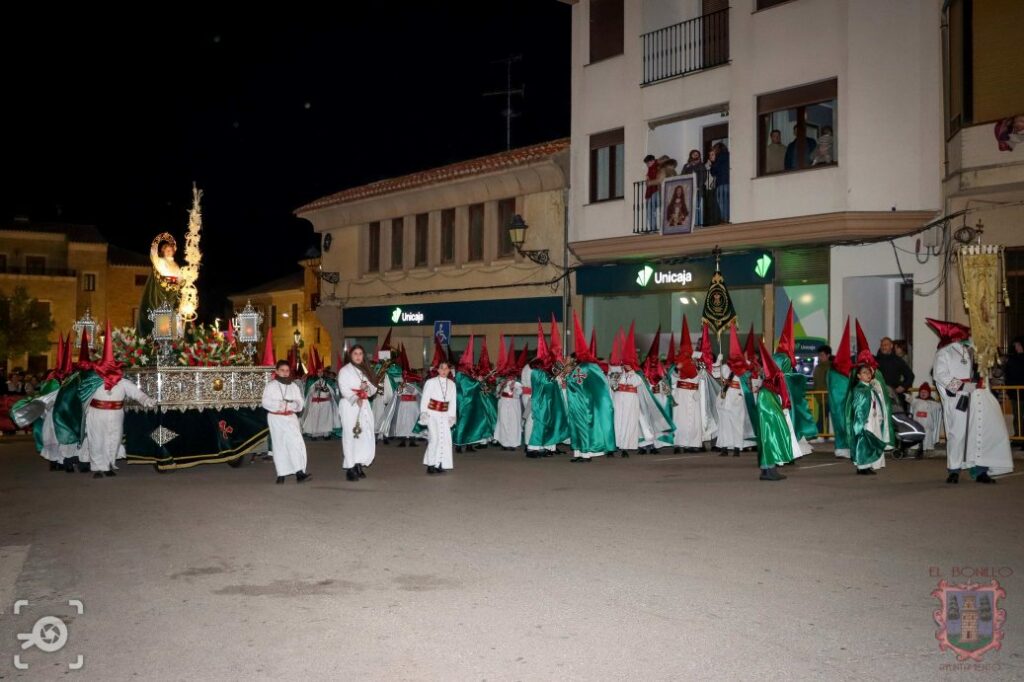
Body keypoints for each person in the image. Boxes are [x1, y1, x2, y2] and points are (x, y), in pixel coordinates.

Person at [928, 318, 1013, 484]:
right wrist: (961, 387)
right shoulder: (944, 353)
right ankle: (954, 470)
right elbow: (939, 375)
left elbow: (989, 369)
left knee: (979, 433)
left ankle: (981, 470)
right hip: (958, 399)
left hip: (978, 397)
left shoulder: (973, 350)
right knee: (957, 435)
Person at [81, 321, 157, 478]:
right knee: (97, 440)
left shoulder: (122, 381)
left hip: (116, 413)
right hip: (97, 413)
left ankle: (108, 465)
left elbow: (136, 393)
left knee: (114, 439)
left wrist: (147, 400)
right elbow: (83, 394)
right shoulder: (94, 380)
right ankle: (97, 468)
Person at [564, 313, 616, 462]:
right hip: (580, 403)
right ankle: (580, 452)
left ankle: (586, 453)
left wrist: (568, 374)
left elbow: (574, 383)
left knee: (583, 427)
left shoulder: (584, 367)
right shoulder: (590, 367)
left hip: (583, 404)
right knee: (578, 427)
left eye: (570, 358)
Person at [262, 359, 312, 484]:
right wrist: (280, 404)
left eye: (287, 370)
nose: (285, 373)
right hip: (276, 418)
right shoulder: (271, 386)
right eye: (282, 370)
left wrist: (291, 405)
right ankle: (281, 473)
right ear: (277, 372)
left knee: (295, 444)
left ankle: (299, 472)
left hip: (290, 418)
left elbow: (300, 403)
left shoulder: (294, 386)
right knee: (279, 446)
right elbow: (265, 403)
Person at [337, 345, 378, 482]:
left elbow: (373, 389)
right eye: (355, 353)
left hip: (364, 405)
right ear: (350, 355)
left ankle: (358, 463)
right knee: (351, 434)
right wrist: (355, 398)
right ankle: (350, 467)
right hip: (350, 406)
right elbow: (344, 388)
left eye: (360, 353)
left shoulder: (365, 370)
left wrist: (366, 388)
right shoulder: (344, 370)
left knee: (363, 435)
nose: (358, 356)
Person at [845, 357, 892, 476]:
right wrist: (861, 422)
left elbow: (877, 403)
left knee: (873, 441)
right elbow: (858, 408)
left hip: (874, 419)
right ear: (858, 376)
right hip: (865, 420)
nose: (868, 374)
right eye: (864, 373)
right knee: (864, 443)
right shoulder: (859, 389)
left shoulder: (870, 388)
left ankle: (870, 464)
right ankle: (862, 466)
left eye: (869, 372)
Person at [137, 233, 182, 337]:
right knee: (163, 312)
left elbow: (180, 279)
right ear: (163, 252)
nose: (169, 252)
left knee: (173, 313)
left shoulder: (176, 265)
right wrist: (158, 240)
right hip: (163, 290)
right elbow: (153, 255)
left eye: (171, 250)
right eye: (167, 250)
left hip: (174, 292)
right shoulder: (160, 262)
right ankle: (162, 335)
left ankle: (173, 335)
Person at [420, 360, 457, 474]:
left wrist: (452, 416)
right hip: (432, 414)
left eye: (446, 368)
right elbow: (425, 398)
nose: (444, 371)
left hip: (445, 415)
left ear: (449, 370)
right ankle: (431, 465)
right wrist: (424, 413)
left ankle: (440, 464)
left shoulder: (452, 384)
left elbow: (452, 402)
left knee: (444, 440)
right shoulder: (431, 382)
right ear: (438, 370)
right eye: (442, 368)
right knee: (434, 438)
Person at [875, 336, 914, 412]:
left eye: (886, 345)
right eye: (882, 345)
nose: (883, 347)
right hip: (879, 394)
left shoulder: (898, 360)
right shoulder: (875, 360)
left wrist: (903, 386)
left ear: (891, 346)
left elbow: (910, 376)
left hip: (894, 396)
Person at [301, 365, 340, 440]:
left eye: (321, 371)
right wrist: (315, 388)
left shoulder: (328, 380)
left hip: (326, 403)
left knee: (325, 418)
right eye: (318, 372)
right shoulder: (311, 380)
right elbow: (308, 393)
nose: (320, 373)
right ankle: (314, 434)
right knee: (315, 418)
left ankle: (326, 434)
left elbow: (332, 392)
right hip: (315, 402)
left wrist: (327, 390)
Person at [493, 358, 523, 451]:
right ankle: (504, 442)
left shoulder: (517, 383)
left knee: (513, 422)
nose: (510, 377)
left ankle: (513, 443)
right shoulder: (502, 383)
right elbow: (497, 393)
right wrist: (501, 388)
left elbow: (520, 392)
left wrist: (514, 389)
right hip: (503, 403)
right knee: (504, 422)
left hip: (514, 404)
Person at [910, 383, 942, 453]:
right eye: (922, 392)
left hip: (928, 426)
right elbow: (909, 399)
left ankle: (927, 448)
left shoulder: (933, 403)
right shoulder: (915, 401)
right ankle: (915, 447)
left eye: (925, 392)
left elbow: (939, 407)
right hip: (917, 426)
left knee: (927, 437)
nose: (923, 393)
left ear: (929, 393)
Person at [1004, 337, 1024, 446]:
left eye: (1017, 345)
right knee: (1017, 416)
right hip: (1016, 393)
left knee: (1019, 416)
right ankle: (1018, 438)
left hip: (1018, 392)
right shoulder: (1013, 359)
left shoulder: (1015, 360)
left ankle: (1019, 438)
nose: (1016, 348)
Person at [682, 149, 707, 227]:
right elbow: (682, 176)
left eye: (697, 154)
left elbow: (703, 177)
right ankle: (690, 224)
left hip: (698, 189)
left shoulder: (701, 165)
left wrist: (698, 186)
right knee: (689, 207)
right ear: (691, 155)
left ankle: (698, 223)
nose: (695, 156)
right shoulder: (686, 165)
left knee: (697, 206)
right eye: (694, 154)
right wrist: (689, 166)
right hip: (688, 189)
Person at [711, 142, 730, 223]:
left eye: (714, 149)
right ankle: (729, 218)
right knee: (728, 201)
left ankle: (724, 219)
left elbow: (714, 171)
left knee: (722, 202)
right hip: (729, 182)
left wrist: (713, 162)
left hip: (721, 182)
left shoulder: (719, 157)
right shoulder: (728, 155)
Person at [643, 154, 662, 230]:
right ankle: (652, 227)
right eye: (646, 164)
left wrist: (649, 181)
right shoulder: (650, 169)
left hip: (657, 191)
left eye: (648, 163)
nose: (647, 165)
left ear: (652, 161)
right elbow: (647, 180)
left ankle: (654, 227)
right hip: (651, 192)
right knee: (650, 210)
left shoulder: (658, 167)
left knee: (653, 209)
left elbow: (658, 179)